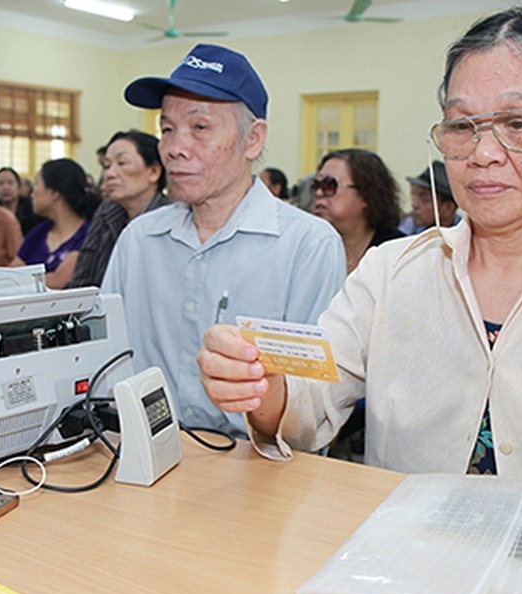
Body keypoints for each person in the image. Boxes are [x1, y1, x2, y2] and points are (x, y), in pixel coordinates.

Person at [197, 8, 522, 525]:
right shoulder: (390, 273)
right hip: (400, 560)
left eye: (518, 123)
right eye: (462, 126)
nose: (482, 153)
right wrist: (264, 390)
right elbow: (311, 405)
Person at [103, 43, 345, 438]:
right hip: (146, 454)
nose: (174, 148)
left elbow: (314, 404)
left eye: (200, 128)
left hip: (261, 467)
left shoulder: (307, 246)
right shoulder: (139, 241)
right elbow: (106, 365)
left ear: (253, 140)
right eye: (166, 129)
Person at [67, 129, 172, 289]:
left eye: (122, 163)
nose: (109, 174)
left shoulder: (173, 217)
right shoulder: (107, 212)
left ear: (154, 172)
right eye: (107, 165)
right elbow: (84, 281)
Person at [311, 148, 402, 273]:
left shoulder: (397, 252)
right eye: (316, 184)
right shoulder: (309, 245)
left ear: (365, 195)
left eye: (330, 185)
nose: (319, 192)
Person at [13, 159, 97, 289]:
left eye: (37, 184)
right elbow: (11, 275)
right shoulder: (39, 232)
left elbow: (59, 281)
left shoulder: (88, 236)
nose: (32, 193)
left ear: (54, 193)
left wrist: (21, 280)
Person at [397, 161, 459, 235]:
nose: (414, 204)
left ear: (448, 208)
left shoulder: (465, 236)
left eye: (424, 198)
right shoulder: (408, 226)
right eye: (414, 194)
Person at [0, 167, 36, 237]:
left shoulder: (31, 209)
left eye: (10, 183)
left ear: (19, 187)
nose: (6, 187)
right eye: (1, 184)